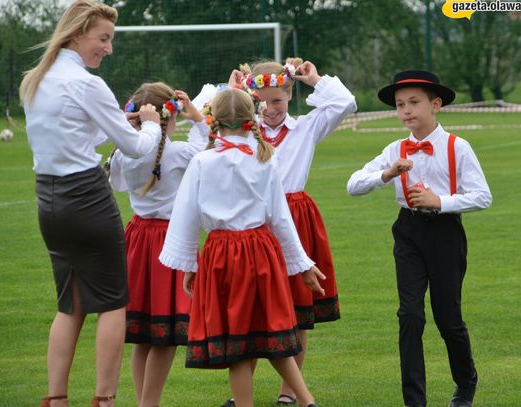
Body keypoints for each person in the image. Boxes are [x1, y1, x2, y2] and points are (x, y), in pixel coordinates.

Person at [19, 1, 163, 406]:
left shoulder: (37, 78)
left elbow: (77, 138)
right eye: (103, 38)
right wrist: (149, 125)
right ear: (78, 33)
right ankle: (105, 400)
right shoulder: (86, 83)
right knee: (113, 302)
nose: (109, 48)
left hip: (48, 201)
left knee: (71, 306)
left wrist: (121, 122)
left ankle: (58, 399)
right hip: (86, 199)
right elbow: (136, 150)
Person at [158, 88, 325, 407]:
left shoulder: (203, 161)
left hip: (223, 255)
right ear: (252, 118)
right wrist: (302, 264)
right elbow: (280, 218)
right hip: (262, 251)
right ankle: (307, 401)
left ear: (213, 119)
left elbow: (186, 217)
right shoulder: (265, 158)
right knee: (270, 333)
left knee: (238, 342)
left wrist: (189, 266)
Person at [346, 70, 492, 407]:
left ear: (435, 104)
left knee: (448, 319)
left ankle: (466, 382)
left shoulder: (458, 146)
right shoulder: (394, 149)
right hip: (408, 233)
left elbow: (482, 196)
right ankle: (415, 400)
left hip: (445, 233)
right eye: (400, 105)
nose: (406, 110)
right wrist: (386, 174)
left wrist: (441, 202)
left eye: (414, 102)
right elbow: (353, 185)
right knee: (409, 315)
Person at [224, 58, 357, 405]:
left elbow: (345, 103)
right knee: (250, 308)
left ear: (289, 94)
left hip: (296, 219)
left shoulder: (306, 128)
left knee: (298, 310)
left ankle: (288, 394)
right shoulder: (241, 129)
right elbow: (210, 117)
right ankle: (242, 395)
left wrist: (314, 79)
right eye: (261, 101)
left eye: (278, 100)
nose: (269, 109)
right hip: (254, 223)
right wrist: (233, 90)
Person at [107, 82, 206, 407]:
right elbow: (207, 148)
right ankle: (148, 405)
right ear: (170, 117)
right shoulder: (176, 153)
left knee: (144, 335)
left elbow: (117, 182)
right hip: (169, 240)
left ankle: (144, 402)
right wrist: (196, 117)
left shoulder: (124, 152)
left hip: (137, 238)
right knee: (164, 335)